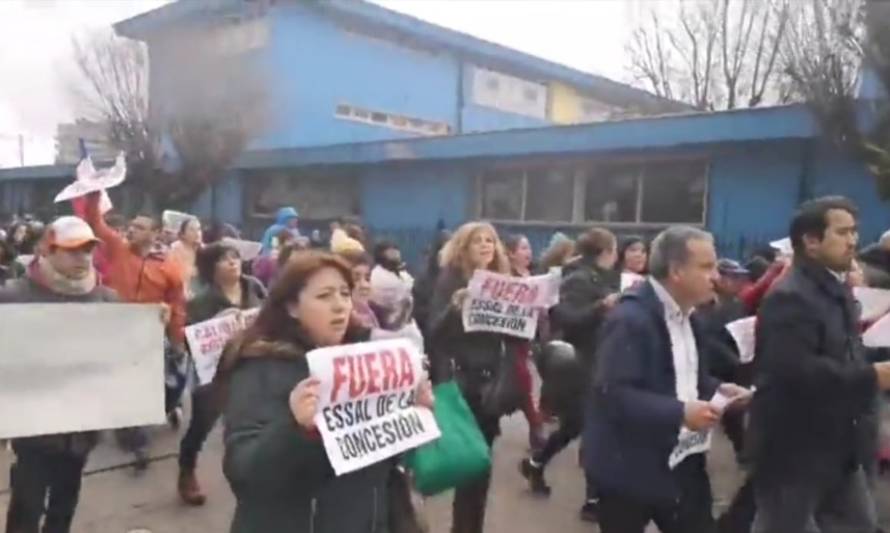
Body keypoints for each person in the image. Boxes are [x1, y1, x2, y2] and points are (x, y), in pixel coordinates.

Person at [217, 251, 433, 532]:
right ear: (292, 306)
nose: (340, 306)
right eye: (324, 296)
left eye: (345, 294)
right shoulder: (260, 366)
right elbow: (244, 472)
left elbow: (386, 459)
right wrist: (294, 428)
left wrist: (414, 412)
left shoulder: (370, 361)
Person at [584, 226, 750, 533]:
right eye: (706, 267)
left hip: (684, 462)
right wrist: (681, 412)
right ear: (676, 271)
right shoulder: (630, 320)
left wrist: (718, 391)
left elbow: (686, 379)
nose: (716, 276)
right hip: (628, 469)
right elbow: (614, 394)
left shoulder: (692, 318)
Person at [747, 197, 890, 533]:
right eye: (842, 233)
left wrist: (874, 364)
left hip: (840, 443)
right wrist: (873, 375)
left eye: (855, 232)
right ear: (811, 242)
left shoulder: (835, 289)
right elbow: (795, 372)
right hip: (794, 448)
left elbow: (845, 353)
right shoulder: (791, 297)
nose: (853, 241)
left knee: (857, 524)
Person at [2, 217, 117, 533]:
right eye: (72, 251)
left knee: (65, 505)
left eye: (88, 250)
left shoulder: (107, 300)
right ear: (47, 250)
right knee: (27, 505)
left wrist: (151, 330)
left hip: (81, 430)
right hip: (33, 431)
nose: (82, 258)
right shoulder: (14, 297)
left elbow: (123, 361)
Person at [82, 191, 187, 470]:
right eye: (132, 225)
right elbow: (95, 222)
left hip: (151, 336)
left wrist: (176, 340)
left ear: (155, 233)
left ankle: (143, 432)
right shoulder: (116, 247)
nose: (132, 229)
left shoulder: (169, 266)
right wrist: (94, 191)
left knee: (152, 385)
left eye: (140, 227)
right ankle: (133, 436)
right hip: (114, 331)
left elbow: (177, 306)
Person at [521, 228, 620, 522]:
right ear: (606, 251)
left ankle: (536, 462)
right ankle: (593, 499)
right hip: (583, 362)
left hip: (600, 359)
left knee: (576, 425)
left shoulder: (602, 278)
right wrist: (601, 307)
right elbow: (567, 318)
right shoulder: (579, 279)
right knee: (595, 429)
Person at [428, 222, 516, 533]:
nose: (485, 245)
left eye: (490, 240)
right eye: (477, 241)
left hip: (493, 383)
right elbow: (434, 333)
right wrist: (455, 308)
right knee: (466, 464)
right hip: (462, 383)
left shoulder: (505, 282)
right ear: (463, 248)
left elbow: (519, 336)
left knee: (482, 467)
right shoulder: (450, 280)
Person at [177, 243, 266, 507]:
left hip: (251, 369)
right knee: (200, 427)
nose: (232, 263)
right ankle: (187, 470)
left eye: (235, 257)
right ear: (211, 267)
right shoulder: (200, 301)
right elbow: (190, 340)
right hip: (214, 376)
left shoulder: (255, 287)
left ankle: (248, 475)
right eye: (224, 259)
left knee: (248, 426)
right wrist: (220, 321)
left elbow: (271, 314)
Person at [504, 234, 544, 451]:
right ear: (510, 253)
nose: (528, 252)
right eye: (523, 248)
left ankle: (538, 423)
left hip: (534, 337)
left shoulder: (535, 276)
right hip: (510, 339)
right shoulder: (504, 277)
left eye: (529, 248)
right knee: (523, 381)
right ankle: (536, 430)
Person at [370, 241, 415, 330]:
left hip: (404, 321)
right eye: (391, 252)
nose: (396, 254)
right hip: (388, 326)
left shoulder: (400, 272)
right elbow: (406, 288)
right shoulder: (378, 276)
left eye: (396, 250)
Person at [169, 217, 203, 297]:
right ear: (183, 234)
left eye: (198, 229)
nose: (197, 233)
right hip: (178, 292)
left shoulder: (205, 250)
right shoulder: (175, 249)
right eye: (192, 230)